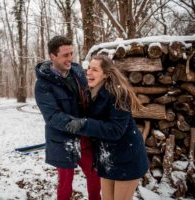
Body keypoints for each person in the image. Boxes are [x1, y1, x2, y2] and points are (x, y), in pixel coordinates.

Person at [65, 55, 149, 200]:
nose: (89, 72)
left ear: (106, 74)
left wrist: (85, 123)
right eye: (89, 68)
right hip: (107, 158)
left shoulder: (118, 94)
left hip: (126, 159)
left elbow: (115, 130)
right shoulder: (91, 92)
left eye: (95, 70)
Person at [34, 35, 101, 200]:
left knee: (95, 177)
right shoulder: (43, 85)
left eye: (71, 53)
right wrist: (81, 124)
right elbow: (52, 116)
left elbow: (91, 94)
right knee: (65, 185)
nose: (70, 58)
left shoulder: (78, 70)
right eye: (65, 55)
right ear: (52, 56)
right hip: (63, 141)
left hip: (86, 139)